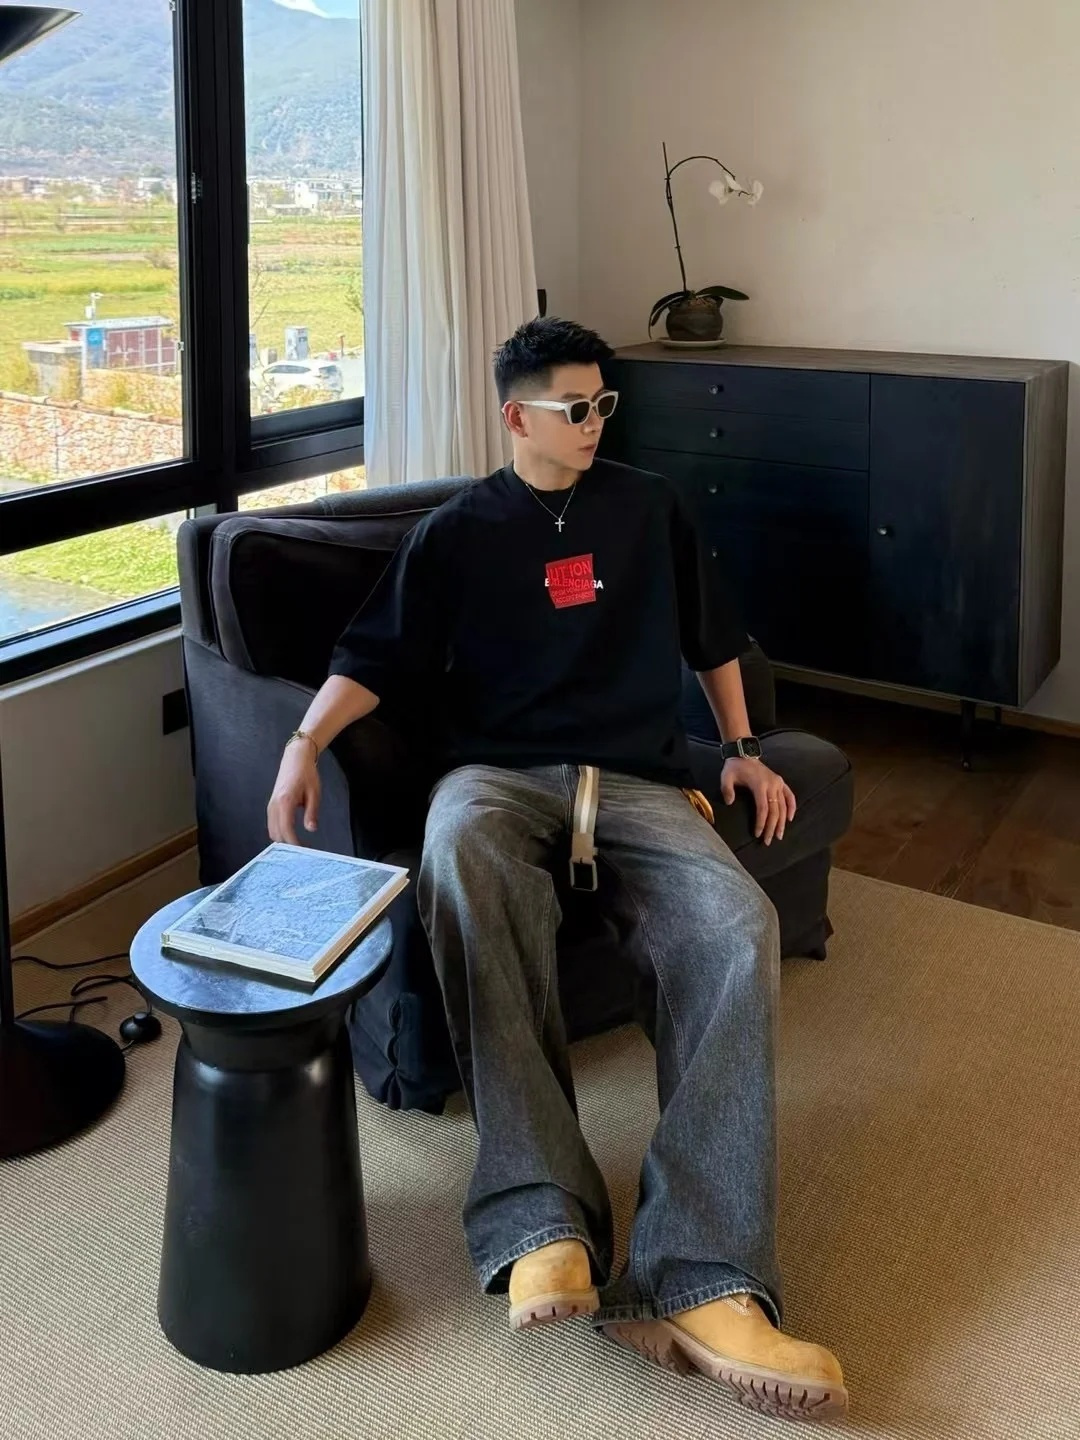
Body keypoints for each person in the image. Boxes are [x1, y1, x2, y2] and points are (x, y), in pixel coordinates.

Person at [267, 318, 847, 1424]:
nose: (594, 424)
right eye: (574, 408)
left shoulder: (648, 507)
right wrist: (303, 745)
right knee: (458, 853)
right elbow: (371, 657)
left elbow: (712, 637)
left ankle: (701, 1278)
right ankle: (541, 1218)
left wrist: (738, 748)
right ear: (515, 415)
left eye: (602, 404)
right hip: (497, 775)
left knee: (736, 927)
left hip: (635, 778)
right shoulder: (455, 534)